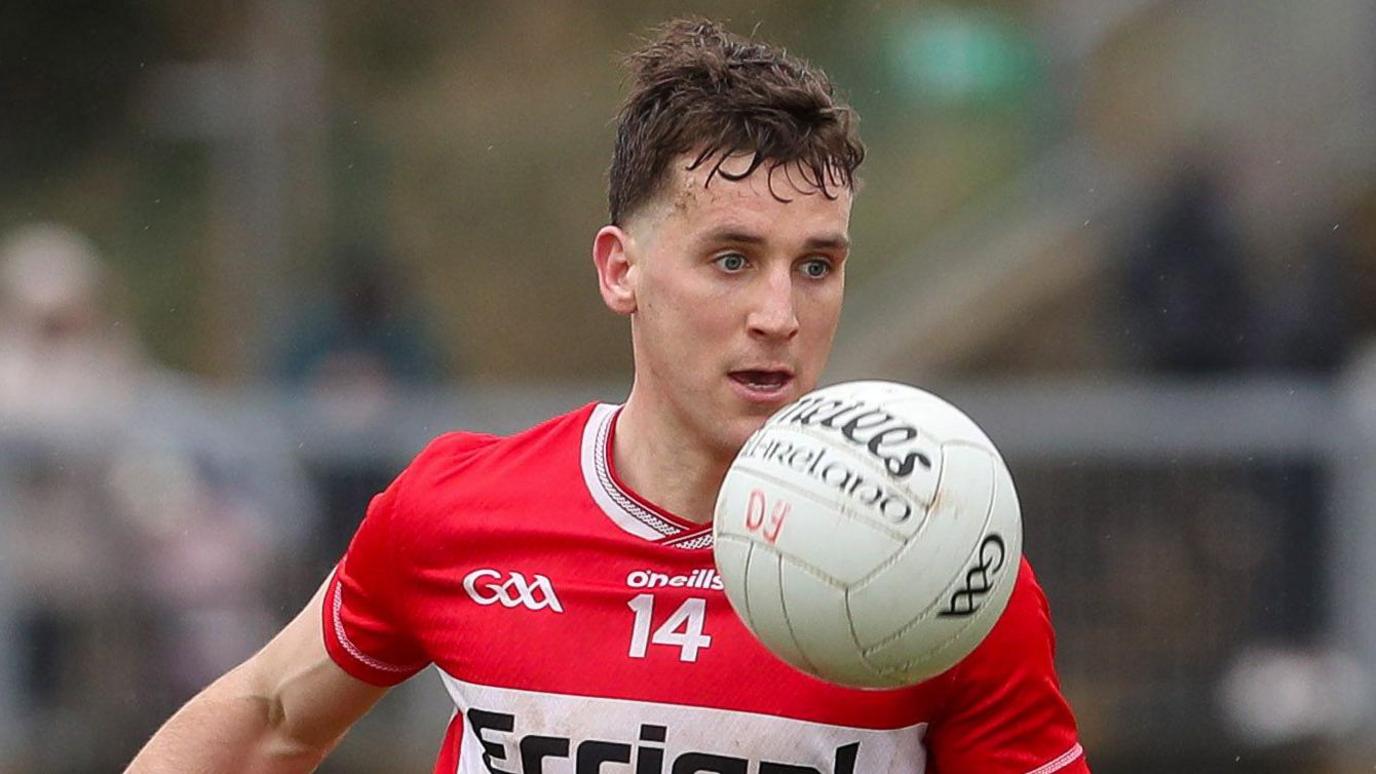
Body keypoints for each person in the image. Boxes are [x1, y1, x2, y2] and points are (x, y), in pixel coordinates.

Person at [128, 19, 1087, 773]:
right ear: (620, 270)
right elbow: (266, 720)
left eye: (818, 265)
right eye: (731, 258)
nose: (779, 314)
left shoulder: (946, 569)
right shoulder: (456, 513)